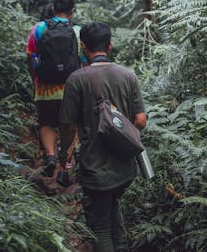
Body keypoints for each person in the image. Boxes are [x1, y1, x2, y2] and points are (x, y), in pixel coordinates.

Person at [58, 22, 147, 252]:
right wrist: (121, 136)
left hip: (95, 166)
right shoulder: (128, 75)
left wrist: (64, 153)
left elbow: (67, 126)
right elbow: (140, 120)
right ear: (110, 45)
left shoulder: (76, 79)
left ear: (83, 46)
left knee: (101, 227)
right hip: (124, 167)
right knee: (112, 208)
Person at [26, 0, 84, 177]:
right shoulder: (78, 31)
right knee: (70, 126)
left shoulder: (39, 28)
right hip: (72, 87)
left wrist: (35, 80)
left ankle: (51, 157)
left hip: (46, 87)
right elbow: (84, 61)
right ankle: (65, 166)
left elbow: (30, 57)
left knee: (46, 123)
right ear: (72, 10)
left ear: (53, 8)